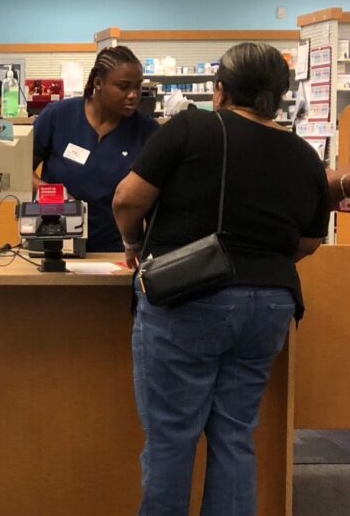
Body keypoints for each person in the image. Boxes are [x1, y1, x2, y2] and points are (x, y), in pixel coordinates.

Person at [113, 42, 330, 515]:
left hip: (190, 298)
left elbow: (127, 199)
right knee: (234, 435)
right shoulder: (303, 154)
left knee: (172, 438)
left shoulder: (192, 128)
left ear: (220, 90)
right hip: (270, 306)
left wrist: (133, 243)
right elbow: (310, 241)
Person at [33, 45, 157, 252]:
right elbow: (20, 171)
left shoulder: (146, 131)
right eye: (124, 86)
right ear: (98, 83)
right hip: (55, 243)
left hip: (115, 250)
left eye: (138, 87)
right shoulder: (58, 116)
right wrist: (54, 195)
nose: (133, 95)